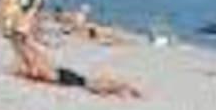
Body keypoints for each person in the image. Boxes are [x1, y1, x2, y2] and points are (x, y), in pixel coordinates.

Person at [9, 32, 140, 98]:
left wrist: (21, 46)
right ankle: (127, 89)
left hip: (67, 77)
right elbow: (35, 60)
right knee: (99, 83)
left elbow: (34, 61)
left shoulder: (37, 73)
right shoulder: (39, 72)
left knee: (99, 84)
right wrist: (22, 46)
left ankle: (127, 89)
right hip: (68, 76)